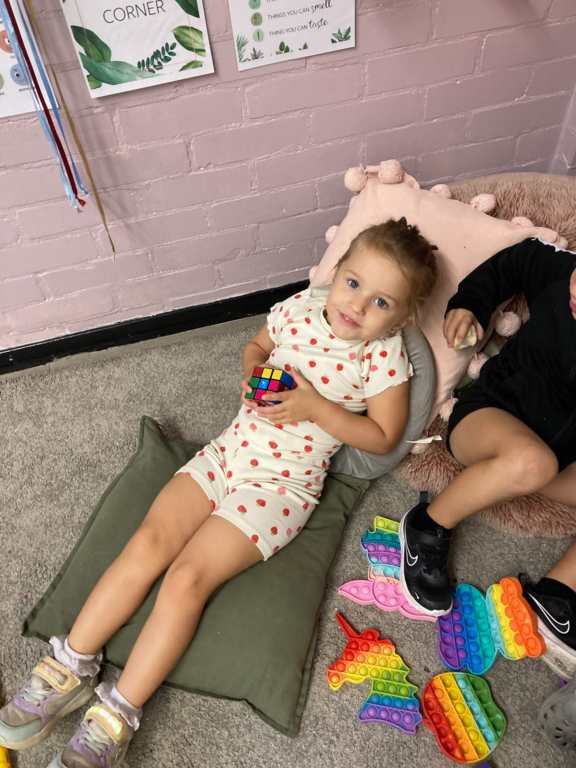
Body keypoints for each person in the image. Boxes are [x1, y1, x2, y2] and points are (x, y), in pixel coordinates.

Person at [0, 218, 438, 768]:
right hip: (226, 454)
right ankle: (69, 665)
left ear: (402, 318)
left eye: (381, 302)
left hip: (281, 487)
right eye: (353, 283)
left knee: (186, 580)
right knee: (147, 543)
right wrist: (254, 372)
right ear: (338, 272)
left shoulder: (381, 355)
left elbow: (383, 437)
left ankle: (117, 713)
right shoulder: (304, 306)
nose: (357, 305)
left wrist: (316, 409)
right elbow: (257, 345)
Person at [398, 237, 576, 711]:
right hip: (488, 417)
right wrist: (471, 305)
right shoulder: (561, 275)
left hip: (556, 457)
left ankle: (558, 594)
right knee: (533, 461)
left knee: (540, 462)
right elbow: (515, 261)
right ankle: (428, 524)